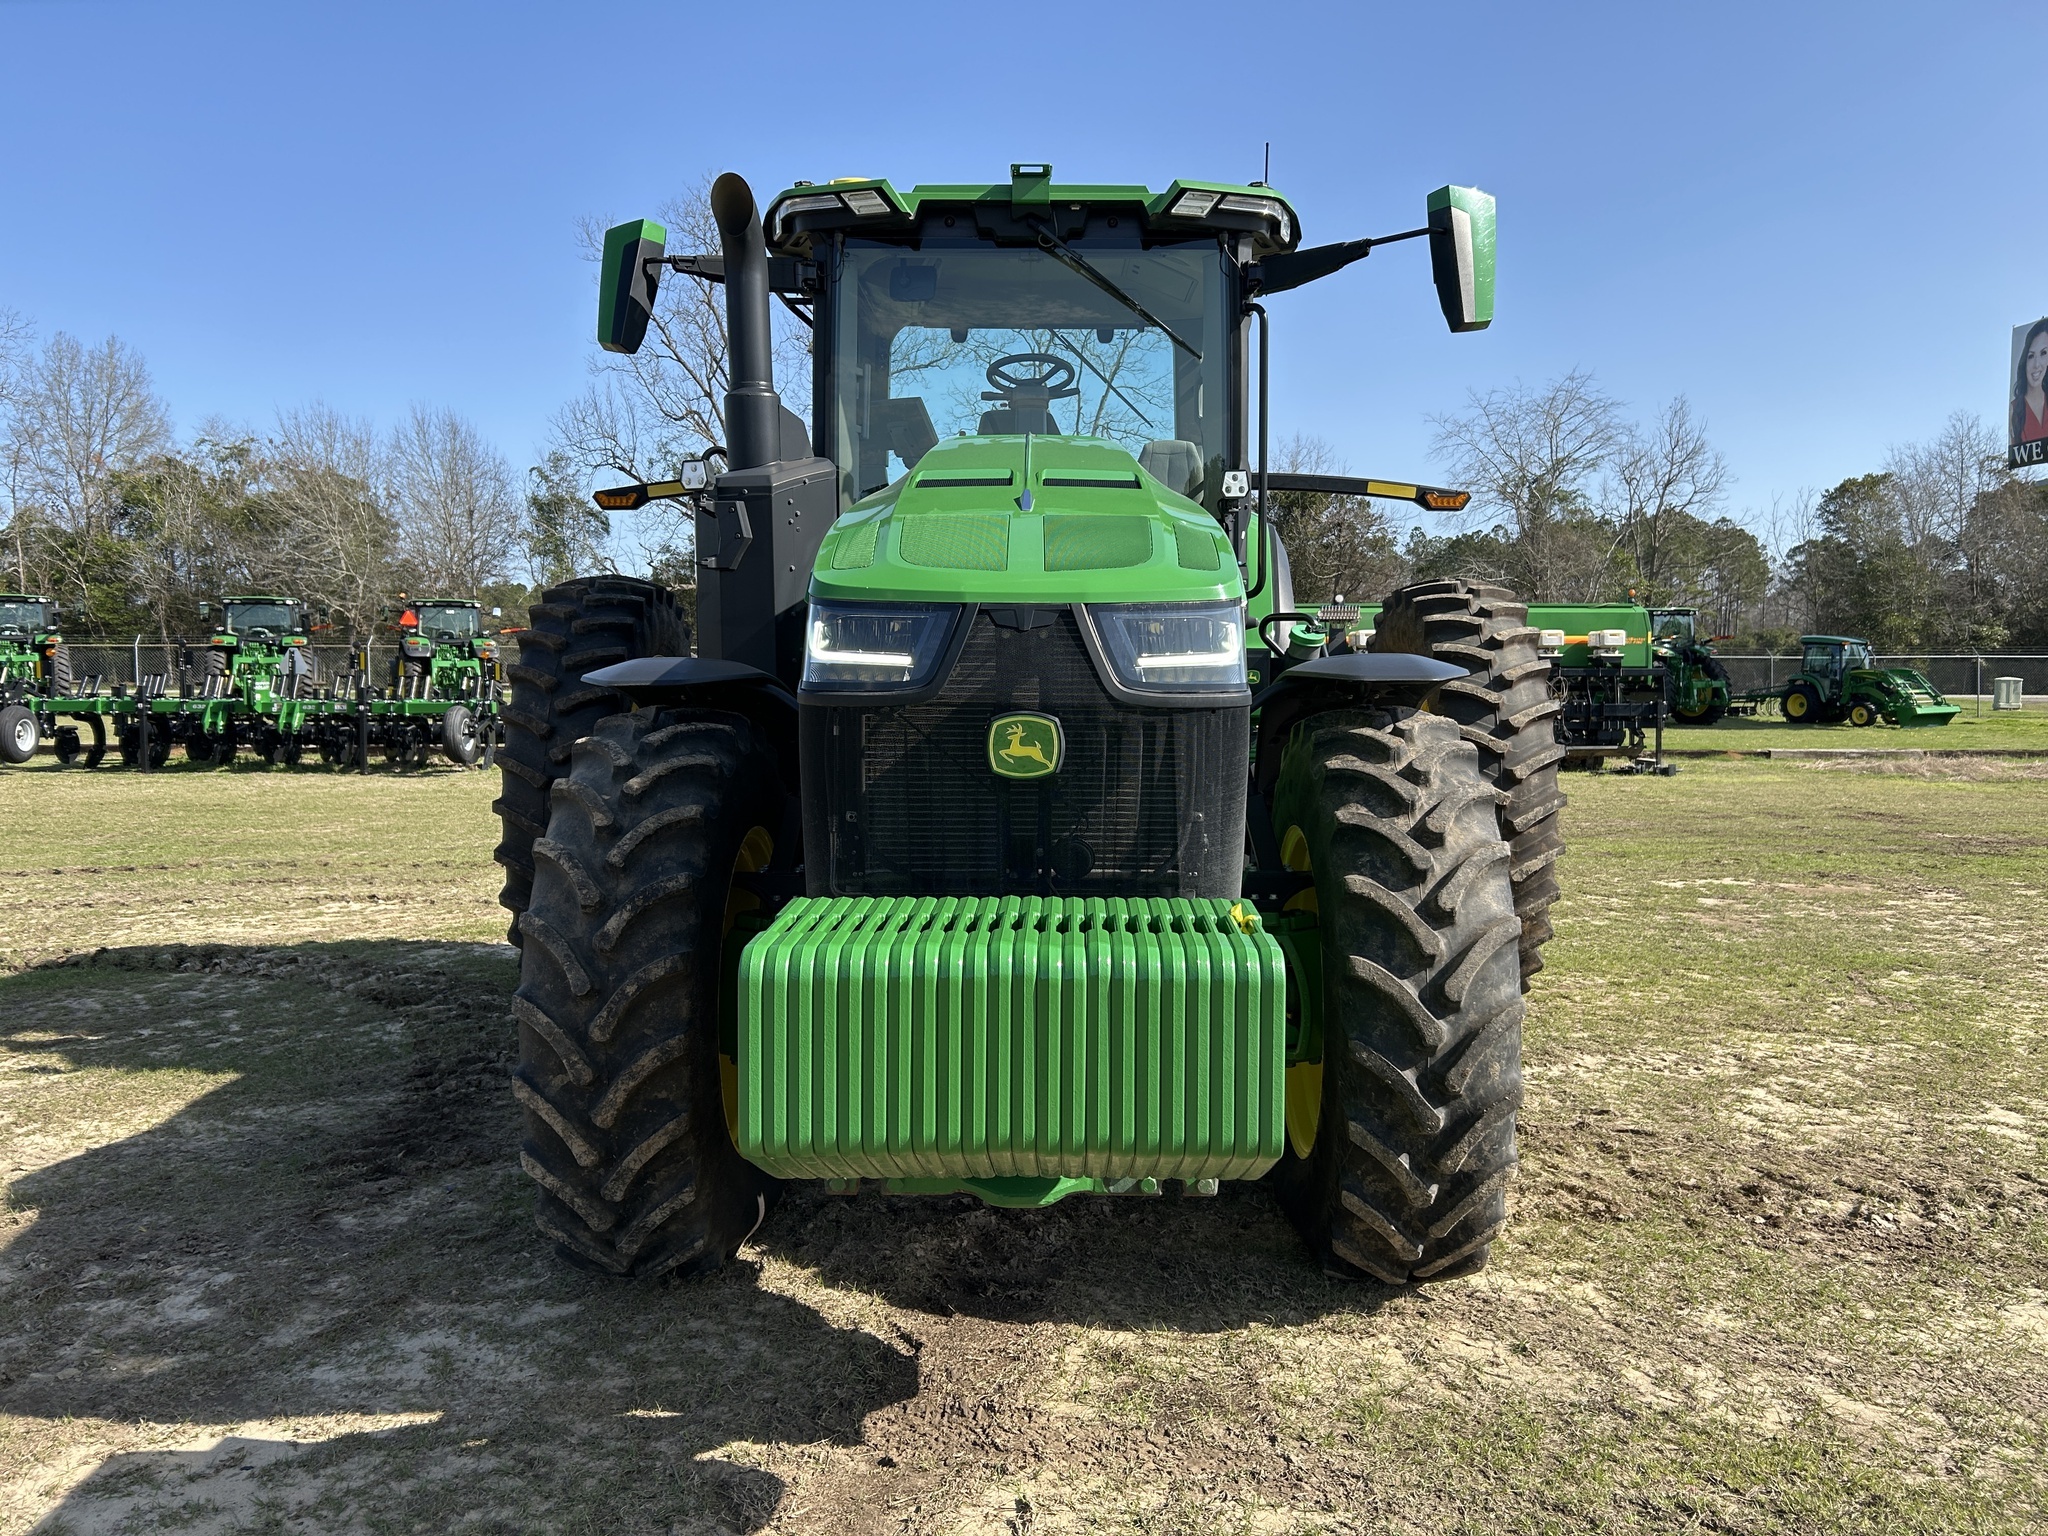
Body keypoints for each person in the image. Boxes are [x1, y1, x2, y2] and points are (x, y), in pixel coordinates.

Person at [2012, 320, 2048, 445]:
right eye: (2031, 356)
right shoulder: (2014, 409)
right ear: (2024, 360)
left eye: (2043, 353)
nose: (2037, 364)